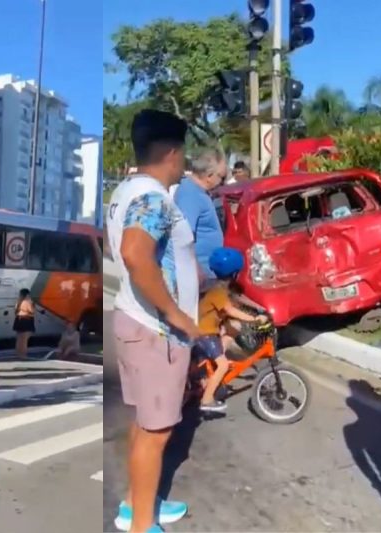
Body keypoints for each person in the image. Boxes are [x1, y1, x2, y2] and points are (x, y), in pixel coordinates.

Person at [107, 109, 199, 533]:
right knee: (157, 432)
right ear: (172, 151)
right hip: (157, 332)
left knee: (145, 425)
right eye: (183, 153)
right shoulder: (154, 198)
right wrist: (174, 312)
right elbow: (134, 253)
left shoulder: (125, 190)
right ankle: (143, 526)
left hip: (136, 321)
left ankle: (134, 506)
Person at [195, 247, 267, 412]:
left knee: (232, 330)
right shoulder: (218, 291)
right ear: (235, 272)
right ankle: (207, 400)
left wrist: (260, 308)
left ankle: (211, 373)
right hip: (204, 333)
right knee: (223, 366)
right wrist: (255, 318)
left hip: (206, 328)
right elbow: (231, 310)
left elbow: (238, 298)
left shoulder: (217, 285)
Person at [172, 145, 227, 289]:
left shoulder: (199, 192)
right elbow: (183, 236)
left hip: (205, 273)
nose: (222, 182)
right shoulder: (191, 195)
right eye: (221, 176)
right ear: (209, 176)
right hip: (199, 276)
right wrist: (196, 269)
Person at [13, 288, 36, 360]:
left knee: (19, 339)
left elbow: (15, 312)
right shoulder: (27, 302)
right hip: (26, 320)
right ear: (27, 294)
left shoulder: (18, 302)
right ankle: (23, 355)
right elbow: (32, 311)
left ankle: (18, 354)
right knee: (24, 340)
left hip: (19, 320)